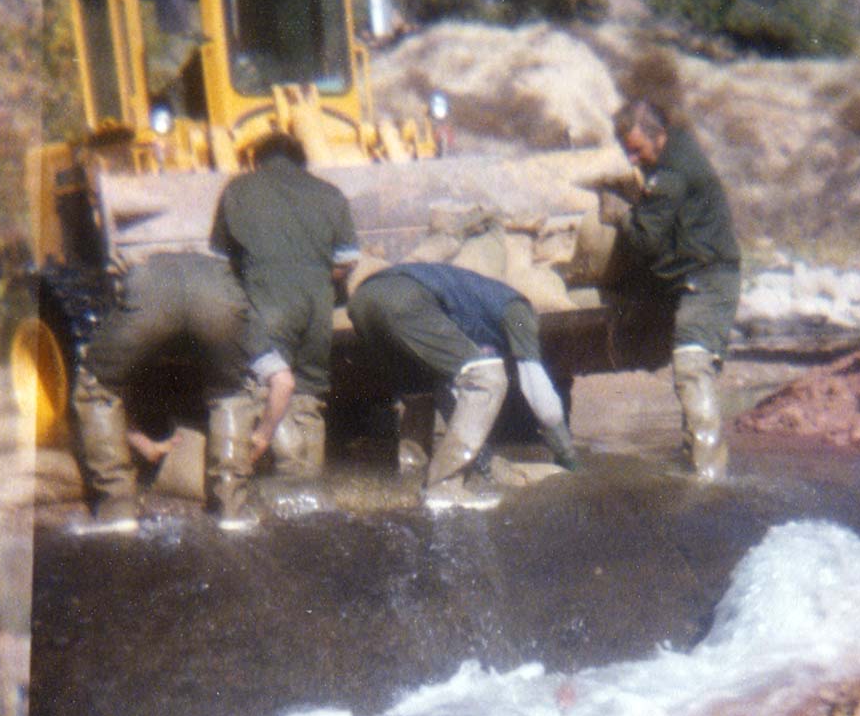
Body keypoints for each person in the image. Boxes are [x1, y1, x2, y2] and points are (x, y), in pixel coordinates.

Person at [71, 251, 294, 534]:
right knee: (233, 393)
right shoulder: (229, 291)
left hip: (150, 298)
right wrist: (263, 434)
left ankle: (117, 510)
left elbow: (105, 387)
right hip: (217, 306)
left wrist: (141, 442)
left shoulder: (143, 272)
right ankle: (231, 511)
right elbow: (284, 382)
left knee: (97, 386)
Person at [348, 261, 578, 510]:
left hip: (363, 301)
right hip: (405, 300)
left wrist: (484, 462)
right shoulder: (519, 311)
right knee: (488, 377)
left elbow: (453, 400)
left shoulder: (473, 305)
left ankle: (412, 480)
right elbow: (539, 391)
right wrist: (567, 456)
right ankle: (443, 488)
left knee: (420, 395)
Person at [603, 98, 741, 481]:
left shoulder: (672, 174)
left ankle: (709, 475)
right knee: (690, 368)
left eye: (637, 149)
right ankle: (695, 460)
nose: (632, 159)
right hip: (694, 274)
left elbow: (646, 239)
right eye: (626, 150)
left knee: (693, 365)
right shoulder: (674, 150)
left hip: (709, 278)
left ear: (658, 136)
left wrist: (621, 215)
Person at [209, 130, 359, 481]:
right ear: (300, 160)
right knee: (308, 393)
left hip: (266, 302)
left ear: (256, 160)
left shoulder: (238, 190)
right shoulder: (330, 193)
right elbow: (347, 260)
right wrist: (314, 275)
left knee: (269, 385)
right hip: (317, 306)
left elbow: (222, 258)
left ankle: (276, 482)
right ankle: (307, 490)